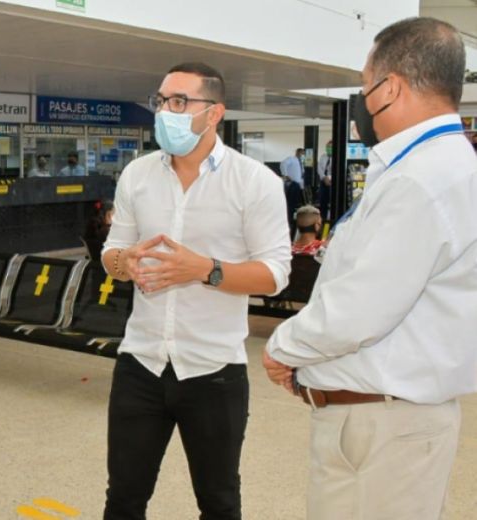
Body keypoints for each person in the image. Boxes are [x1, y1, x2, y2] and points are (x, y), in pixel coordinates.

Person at [263, 17, 477, 520]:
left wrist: (283, 347)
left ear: (391, 88)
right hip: (391, 420)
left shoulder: (420, 180)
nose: (363, 101)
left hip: (383, 427)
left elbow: (360, 309)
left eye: (365, 86)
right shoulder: (442, 166)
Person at [102, 62, 291, 520]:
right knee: (124, 499)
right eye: (162, 101)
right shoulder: (137, 175)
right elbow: (112, 254)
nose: (166, 111)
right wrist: (123, 263)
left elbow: (274, 273)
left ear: (214, 113)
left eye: (180, 102)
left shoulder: (255, 182)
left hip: (213, 371)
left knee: (219, 501)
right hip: (141, 363)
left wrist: (204, 270)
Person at [315, 140, 333, 220]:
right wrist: (324, 177)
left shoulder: (339, 157)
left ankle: (332, 219)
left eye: (330, 147)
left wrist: (329, 178)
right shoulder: (323, 157)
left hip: (333, 182)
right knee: (323, 201)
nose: (328, 148)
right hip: (323, 182)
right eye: (327, 147)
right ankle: (323, 219)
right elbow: (319, 169)